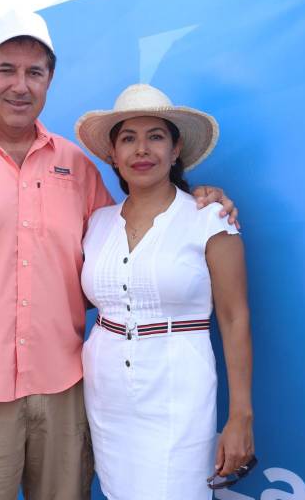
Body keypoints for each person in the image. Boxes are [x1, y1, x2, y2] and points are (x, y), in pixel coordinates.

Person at [0, 10, 238, 500]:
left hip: (65, 392)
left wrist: (201, 199)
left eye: (34, 72)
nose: (20, 85)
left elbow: (128, 251)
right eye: (6, 69)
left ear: (49, 80)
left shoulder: (76, 167)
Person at [75, 83, 254, 499]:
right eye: (128, 139)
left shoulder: (210, 218)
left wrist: (241, 415)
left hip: (179, 397)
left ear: (175, 151)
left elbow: (234, 316)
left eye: (155, 136)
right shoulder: (96, 222)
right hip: (105, 396)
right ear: (114, 157)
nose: (142, 150)